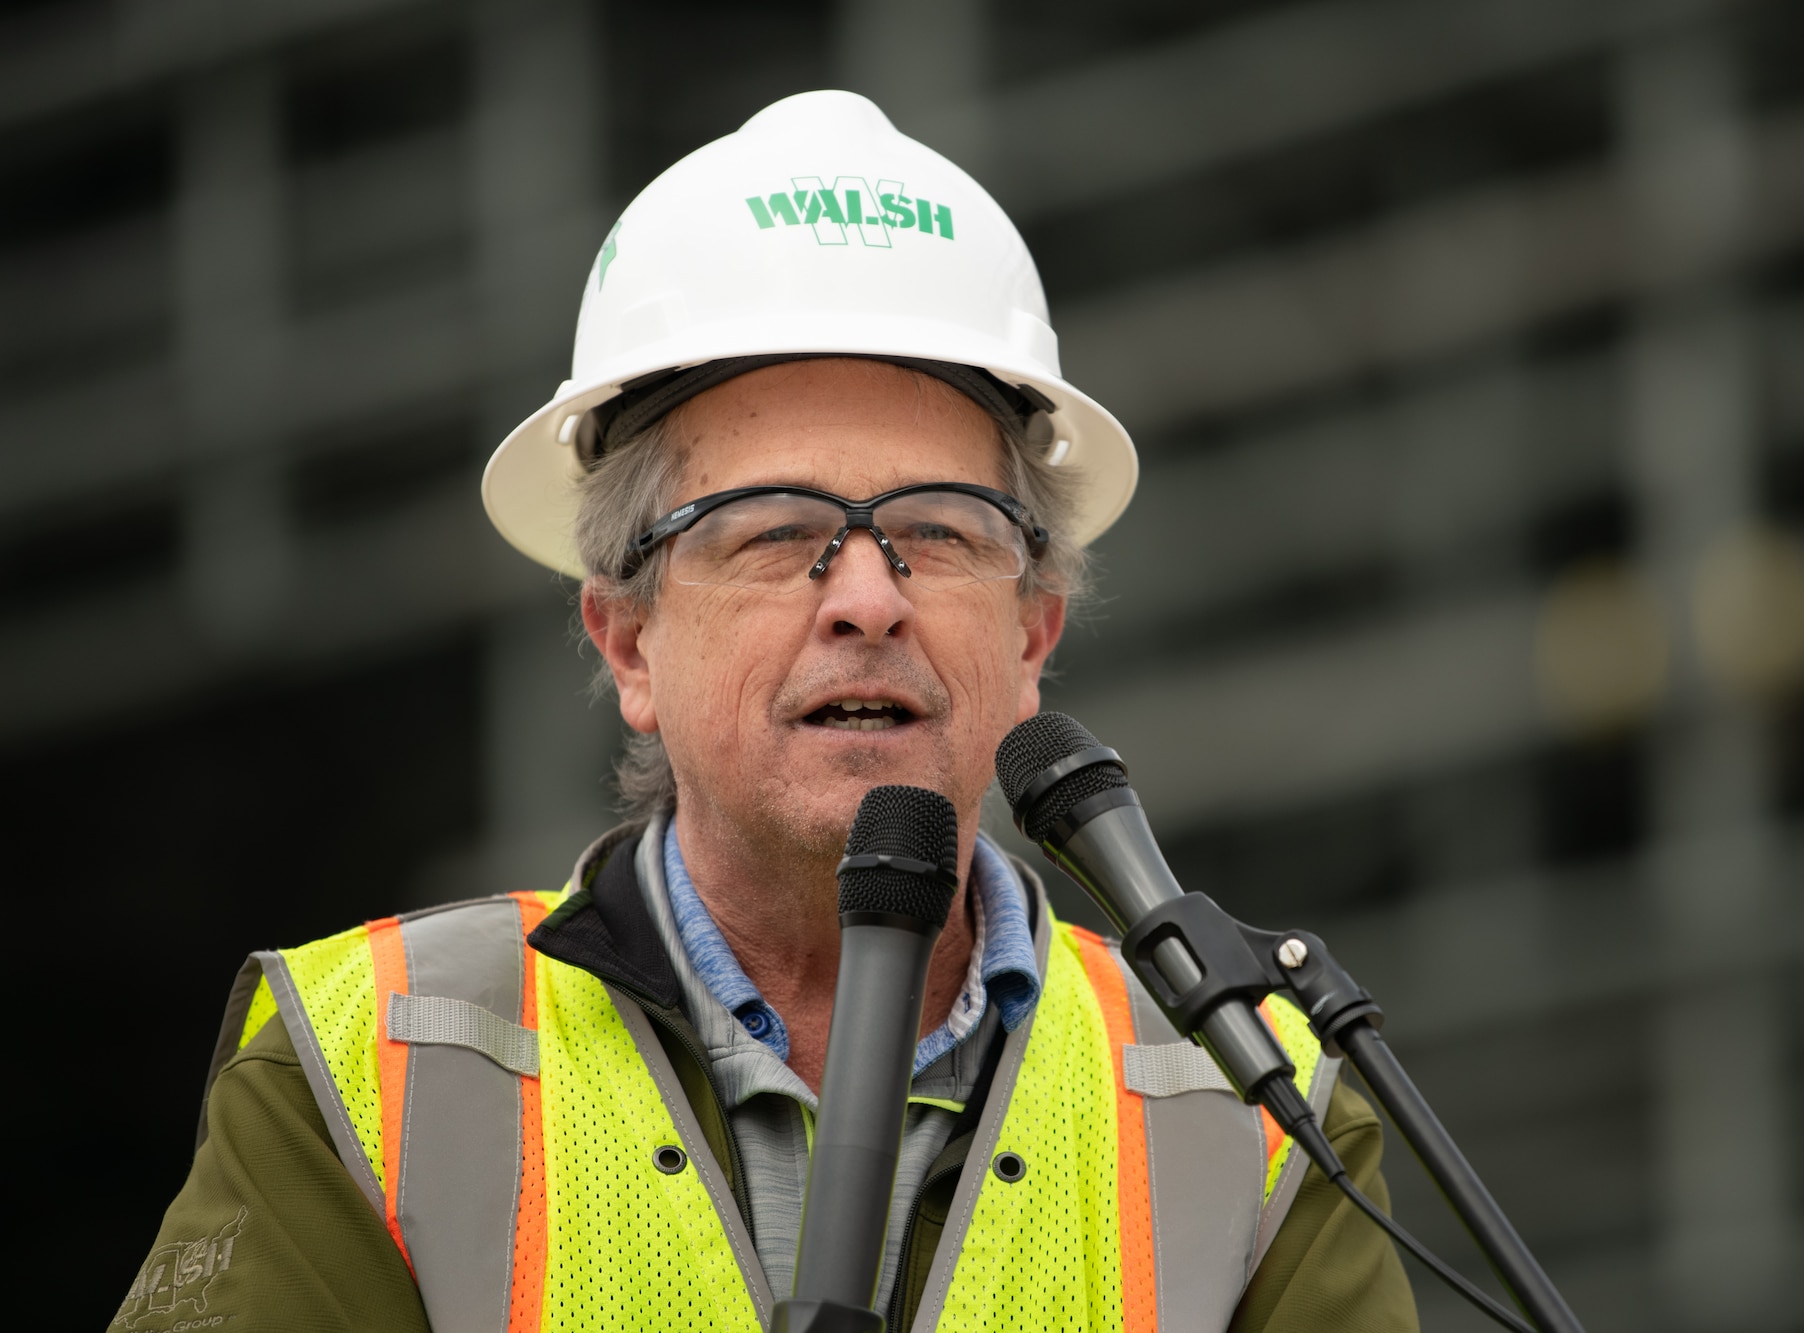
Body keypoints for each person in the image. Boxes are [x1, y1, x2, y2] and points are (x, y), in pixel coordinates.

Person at [114, 91, 1417, 1333]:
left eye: (937, 529)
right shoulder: (373, 1069)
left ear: (1034, 634)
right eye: (775, 527)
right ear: (627, 635)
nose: (866, 596)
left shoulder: (1256, 1105)